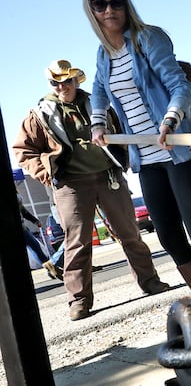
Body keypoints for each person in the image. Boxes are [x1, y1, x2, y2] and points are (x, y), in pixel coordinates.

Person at [83, 0, 191, 309]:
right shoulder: (103, 54)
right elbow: (98, 90)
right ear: (91, 10)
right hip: (146, 157)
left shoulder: (149, 38)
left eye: (116, 2)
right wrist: (96, 124)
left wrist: (171, 119)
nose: (109, 10)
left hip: (179, 148)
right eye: (100, 4)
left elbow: (179, 84)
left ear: (126, 3)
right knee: (168, 236)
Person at [14, 59, 170, 321]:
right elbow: (23, 151)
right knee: (77, 244)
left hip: (109, 176)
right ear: (50, 84)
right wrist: (47, 174)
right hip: (70, 184)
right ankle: (79, 300)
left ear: (76, 80)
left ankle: (150, 281)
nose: (62, 86)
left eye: (66, 80)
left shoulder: (99, 104)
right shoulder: (38, 115)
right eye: (56, 82)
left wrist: (127, 158)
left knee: (130, 233)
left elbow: (122, 129)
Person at [17, 189, 62, 280]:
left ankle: (52, 269)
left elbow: (22, 210)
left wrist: (35, 220)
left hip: (22, 227)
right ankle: (52, 269)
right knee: (34, 248)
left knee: (36, 247)